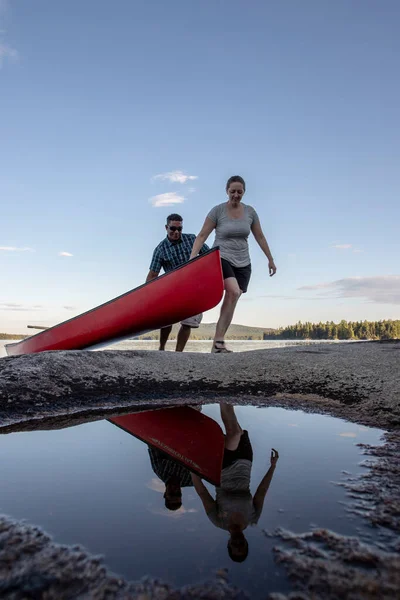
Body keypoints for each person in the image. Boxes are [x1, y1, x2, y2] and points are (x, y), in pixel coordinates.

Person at [189, 176, 277, 353]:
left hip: (244, 261)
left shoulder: (250, 212)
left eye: (239, 192)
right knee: (233, 290)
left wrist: (270, 259)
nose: (236, 195)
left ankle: (217, 343)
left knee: (233, 297)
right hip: (222, 256)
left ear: (244, 192)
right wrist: (192, 259)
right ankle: (218, 342)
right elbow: (201, 236)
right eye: (232, 191)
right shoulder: (217, 211)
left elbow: (259, 236)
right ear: (226, 191)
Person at [191, 403, 279, 562]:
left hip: (222, 469)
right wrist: (272, 466)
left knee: (234, 433)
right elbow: (261, 491)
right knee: (234, 429)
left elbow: (203, 493)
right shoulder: (252, 517)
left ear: (229, 544)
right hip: (245, 462)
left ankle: (218, 398)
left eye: (234, 546)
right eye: (242, 545)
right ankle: (225, 394)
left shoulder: (218, 520)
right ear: (246, 542)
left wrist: (191, 468)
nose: (238, 542)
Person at [146, 213, 210, 351]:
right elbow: (152, 274)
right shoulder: (160, 249)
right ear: (166, 228)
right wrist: (146, 296)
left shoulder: (192, 239)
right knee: (166, 319)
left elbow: (209, 256)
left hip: (194, 287)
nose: (176, 232)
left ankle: (178, 353)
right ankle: (161, 348)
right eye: (173, 229)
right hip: (172, 289)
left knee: (188, 322)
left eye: (179, 229)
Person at [148, 445, 193, 511]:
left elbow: (152, 443)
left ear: (165, 494)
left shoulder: (159, 469)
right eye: (178, 493)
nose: (175, 490)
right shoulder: (191, 481)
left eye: (172, 493)